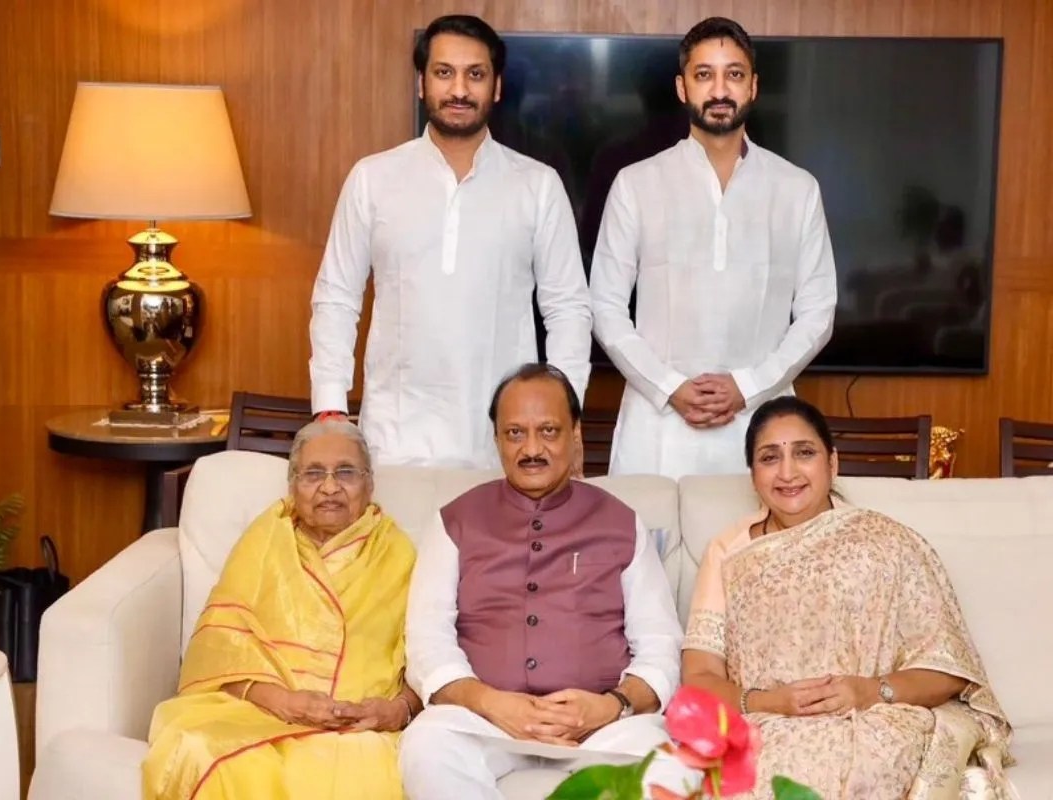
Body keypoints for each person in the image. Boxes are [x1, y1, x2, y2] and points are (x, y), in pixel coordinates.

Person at [680, 396, 1014, 798]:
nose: (787, 472)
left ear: (833, 463)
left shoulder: (887, 542)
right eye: (769, 458)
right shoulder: (730, 552)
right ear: (753, 476)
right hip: (767, 723)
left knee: (865, 767)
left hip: (876, 719)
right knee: (772, 768)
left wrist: (869, 691)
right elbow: (699, 681)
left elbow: (948, 670)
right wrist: (772, 702)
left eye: (804, 453)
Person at [309, 14, 592, 469]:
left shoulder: (537, 185)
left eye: (475, 74)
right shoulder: (372, 179)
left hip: (507, 450)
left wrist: (564, 418)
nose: (459, 89)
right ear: (421, 83)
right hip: (393, 445)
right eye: (444, 72)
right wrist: (330, 409)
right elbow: (337, 298)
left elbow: (568, 309)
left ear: (496, 87)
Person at [398, 363, 694, 798]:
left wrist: (611, 705)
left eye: (548, 431)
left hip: (600, 727)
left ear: (575, 434)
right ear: (496, 439)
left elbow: (660, 645)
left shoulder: (620, 523)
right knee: (428, 746)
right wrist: (492, 703)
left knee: (672, 769)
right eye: (515, 433)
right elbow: (427, 641)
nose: (531, 449)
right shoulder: (455, 522)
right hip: (485, 721)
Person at [589, 17, 837, 479]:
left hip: (762, 421)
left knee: (759, 529)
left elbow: (818, 312)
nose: (720, 90)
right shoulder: (637, 184)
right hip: (656, 426)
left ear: (753, 86)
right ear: (682, 87)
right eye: (704, 74)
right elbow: (605, 306)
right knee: (647, 528)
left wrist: (748, 386)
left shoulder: (796, 188)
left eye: (734, 74)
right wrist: (669, 386)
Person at [142, 420, 418, 799]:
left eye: (346, 472)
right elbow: (218, 654)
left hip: (357, 728)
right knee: (196, 749)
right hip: (261, 712)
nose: (330, 487)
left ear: (369, 484)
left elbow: (430, 659)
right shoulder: (265, 540)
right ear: (292, 486)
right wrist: (285, 703)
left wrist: (397, 710)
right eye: (313, 474)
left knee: (355, 768)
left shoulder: (398, 553)